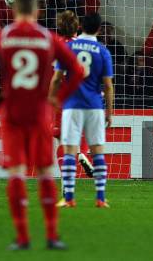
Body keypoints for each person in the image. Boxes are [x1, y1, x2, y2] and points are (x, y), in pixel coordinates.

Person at [0, 0, 84, 250]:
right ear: (38, 11)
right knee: (45, 173)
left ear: (14, 9)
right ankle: (52, 236)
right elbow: (78, 70)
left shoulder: (3, 36)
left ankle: (22, 238)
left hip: (13, 112)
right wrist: (58, 98)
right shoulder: (47, 37)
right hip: (40, 111)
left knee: (17, 174)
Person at [50, 12, 114, 209]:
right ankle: (100, 198)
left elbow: (56, 77)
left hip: (70, 102)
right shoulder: (102, 50)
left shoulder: (65, 47)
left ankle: (68, 197)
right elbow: (108, 85)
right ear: (99, 29)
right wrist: (109, 113)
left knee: (66, 148)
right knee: (98, 151)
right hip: (95, 104)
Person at [51, 10, 94, 201]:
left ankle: (66, 182)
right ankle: (82, 155)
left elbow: (53, 77)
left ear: (59, 28)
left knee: (62, 141)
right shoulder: (85, 46)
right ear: (78, 27)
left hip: (62, 98)